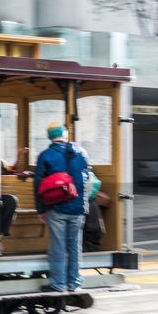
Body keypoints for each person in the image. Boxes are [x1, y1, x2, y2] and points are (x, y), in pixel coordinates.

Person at [34, 121, 91, 292]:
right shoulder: (81, 152)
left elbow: (38, 185)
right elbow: (87, 177)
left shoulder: (45, 155)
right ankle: (74, 283)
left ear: (50, 137)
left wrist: (41, 209)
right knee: (75, 246)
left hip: (56, 208)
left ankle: (58, 284)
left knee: (58, 246)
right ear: (65, 135)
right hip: (78, 207)